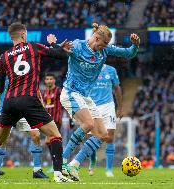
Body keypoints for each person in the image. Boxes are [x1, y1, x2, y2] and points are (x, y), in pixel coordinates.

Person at [0, 22, 73, 182]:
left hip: (9, 103)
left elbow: (0, 87)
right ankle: (58, 175)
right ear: (23, 35)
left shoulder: (3, 57)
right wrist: (53, 43)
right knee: (55, 135)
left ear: (11, 37)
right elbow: (62, 55)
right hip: (29, 99)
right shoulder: (33, 47)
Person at [60, 23, 140, 181]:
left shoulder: (105, 49)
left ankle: (74, 165)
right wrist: (60, 48)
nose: (105, 47)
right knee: (88, 124)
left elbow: (128, 53)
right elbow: (57, 49)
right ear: (96, 38)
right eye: (104, 43)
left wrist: (135, 45)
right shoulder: (77, 46)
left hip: (86, 97)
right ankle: (61, 162)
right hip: (71, 92)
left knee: (104, 135)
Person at [0, 70, 49, 179]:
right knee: (1, 141)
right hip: (6, 110)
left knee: (36, 135)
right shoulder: (0, 73)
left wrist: (41, 106)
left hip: (23, 110)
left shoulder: (24, 70)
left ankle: (37, 170)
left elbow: (35, 90)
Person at [87, 64, 123, 177]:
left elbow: (117, 88)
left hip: (108, 106)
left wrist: (120, 108)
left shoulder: (111, 70)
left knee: (110, 137)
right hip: (91, 105)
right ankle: (92, 162)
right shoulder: (87, 68)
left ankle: (108, 169)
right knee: (91, 139)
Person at [41, 73, 63, 172]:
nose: (49, 81)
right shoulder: (44, 92)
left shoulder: (59, 91)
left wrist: (70, 117)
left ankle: (57, 164)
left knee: (51, 140)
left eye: (51, 79)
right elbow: (43, 105)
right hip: (47, 121)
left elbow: (64, 103)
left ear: (54, 80)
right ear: (45, 81)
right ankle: (57, 163)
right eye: (47, 79)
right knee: (49, 141)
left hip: (56, 120)